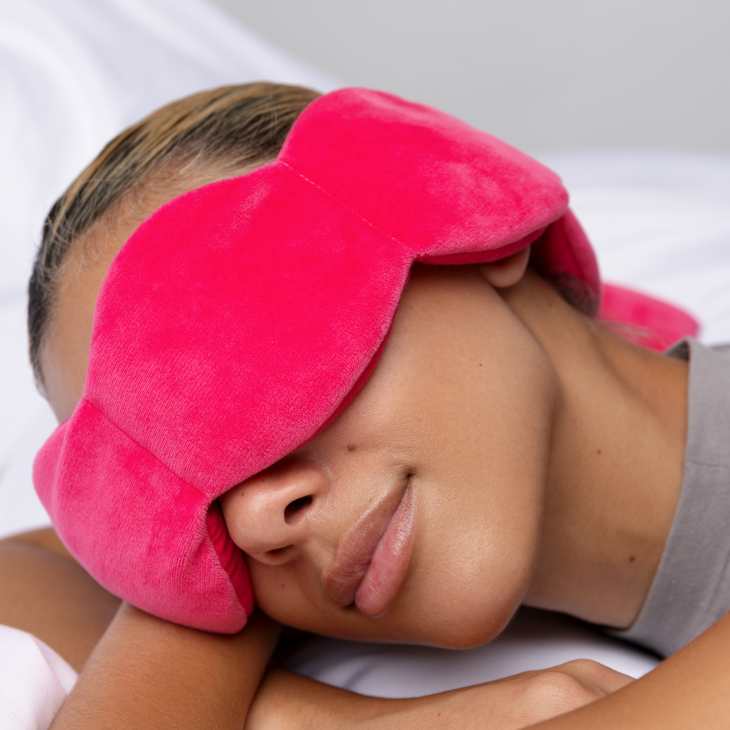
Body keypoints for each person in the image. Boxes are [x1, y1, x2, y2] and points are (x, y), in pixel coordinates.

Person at [2, 81, 729, 729]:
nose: (254, 522)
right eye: (143, 508)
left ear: (468, 211)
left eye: (249, 364)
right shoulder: (289, 542)